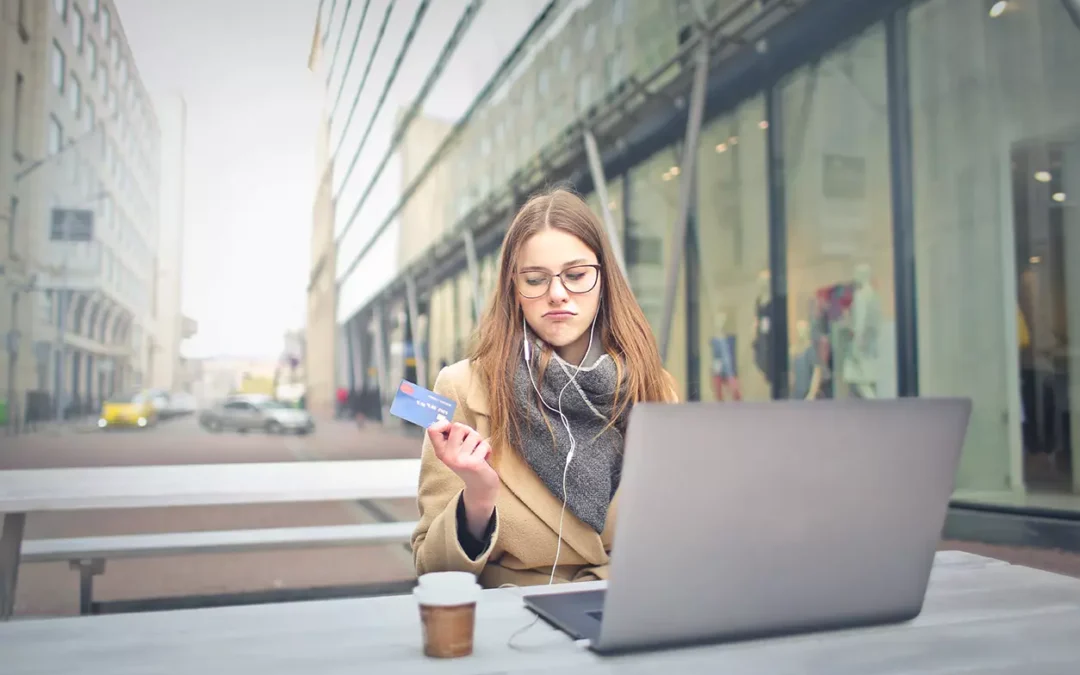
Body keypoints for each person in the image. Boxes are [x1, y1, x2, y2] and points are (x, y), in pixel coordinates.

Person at [411, 187, 678, 589]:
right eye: (535, 279)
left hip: (626, 605)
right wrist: (477, 500)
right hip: (517, 615)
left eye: (576, 276)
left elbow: (673, 532)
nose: (557, 294)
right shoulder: (461, 387)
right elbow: (432, 569)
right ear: (513, 289)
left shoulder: (654, 387)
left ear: (604, 280)